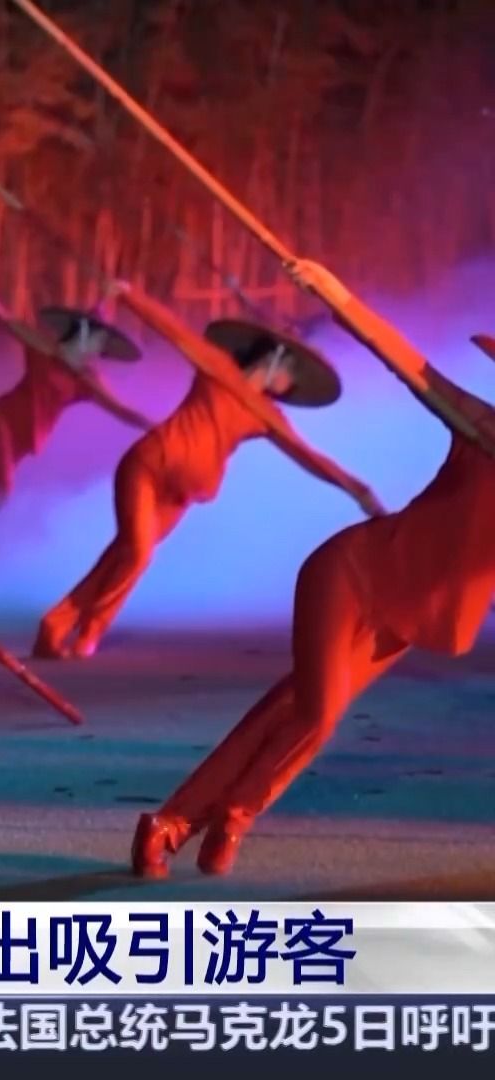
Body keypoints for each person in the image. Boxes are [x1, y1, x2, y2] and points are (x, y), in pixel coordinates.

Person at [133, 264, 493, 878]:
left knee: (294, 708)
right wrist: (336, 296)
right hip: (352, 572)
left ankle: (182, 822)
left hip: (405, 616)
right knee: (317, 712)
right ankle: (216, 819)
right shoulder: (480, 425)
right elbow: (407, 364)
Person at [35, 286, 382, 659]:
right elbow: (173, 330)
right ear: (274, 357)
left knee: (124, 553)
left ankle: (57, 626)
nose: (291, 382)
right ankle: (89, 632)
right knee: (137, 553)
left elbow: (308, 456)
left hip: (180, 494)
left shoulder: (266, 415)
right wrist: (129, 295)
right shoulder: (217, 367)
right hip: (146, 468)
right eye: (291, 370)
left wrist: (357, 489)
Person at [0, 307, 156, 516]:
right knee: (0, 490)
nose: (101, 347)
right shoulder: (44, 348)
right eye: (99, 339)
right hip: (2, 422)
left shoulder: (88, 379)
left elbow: (121, 410)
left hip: (23, 442)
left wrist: (154, 427)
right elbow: (3, 317)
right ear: (83, 332)